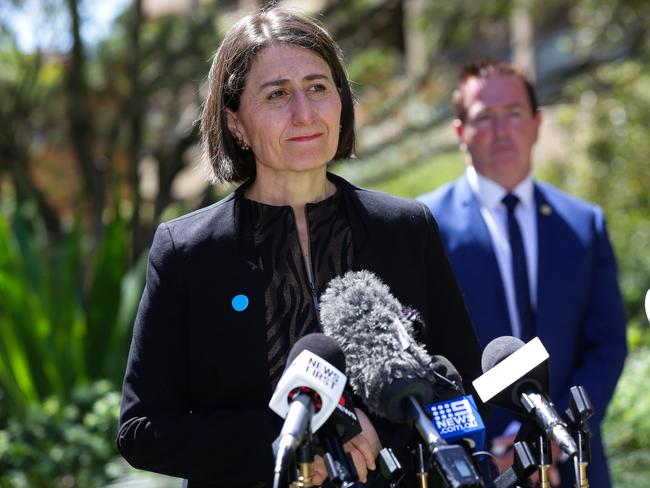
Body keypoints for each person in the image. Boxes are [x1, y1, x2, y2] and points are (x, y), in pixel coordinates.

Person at [117, 7, 483, 487]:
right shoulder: (187, 253)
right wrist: (292, 438)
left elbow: (464, 393)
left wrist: (389, 438)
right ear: (236, 124)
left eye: (317, 87)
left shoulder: (405, 228)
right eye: (277, 95)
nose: (305, 114)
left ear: (341, 100)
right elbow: (142, 431)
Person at [418, 59, 627, 487]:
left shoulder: (584, 224)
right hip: (473, 463)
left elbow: (606, 343)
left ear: (536, 123)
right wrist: (488, 439)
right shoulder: (423, 225)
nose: (500, 130)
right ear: (460, 132)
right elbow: (422, 355)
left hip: (574, 461)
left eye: (513, 113)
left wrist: (556, 430)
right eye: (484, 116)